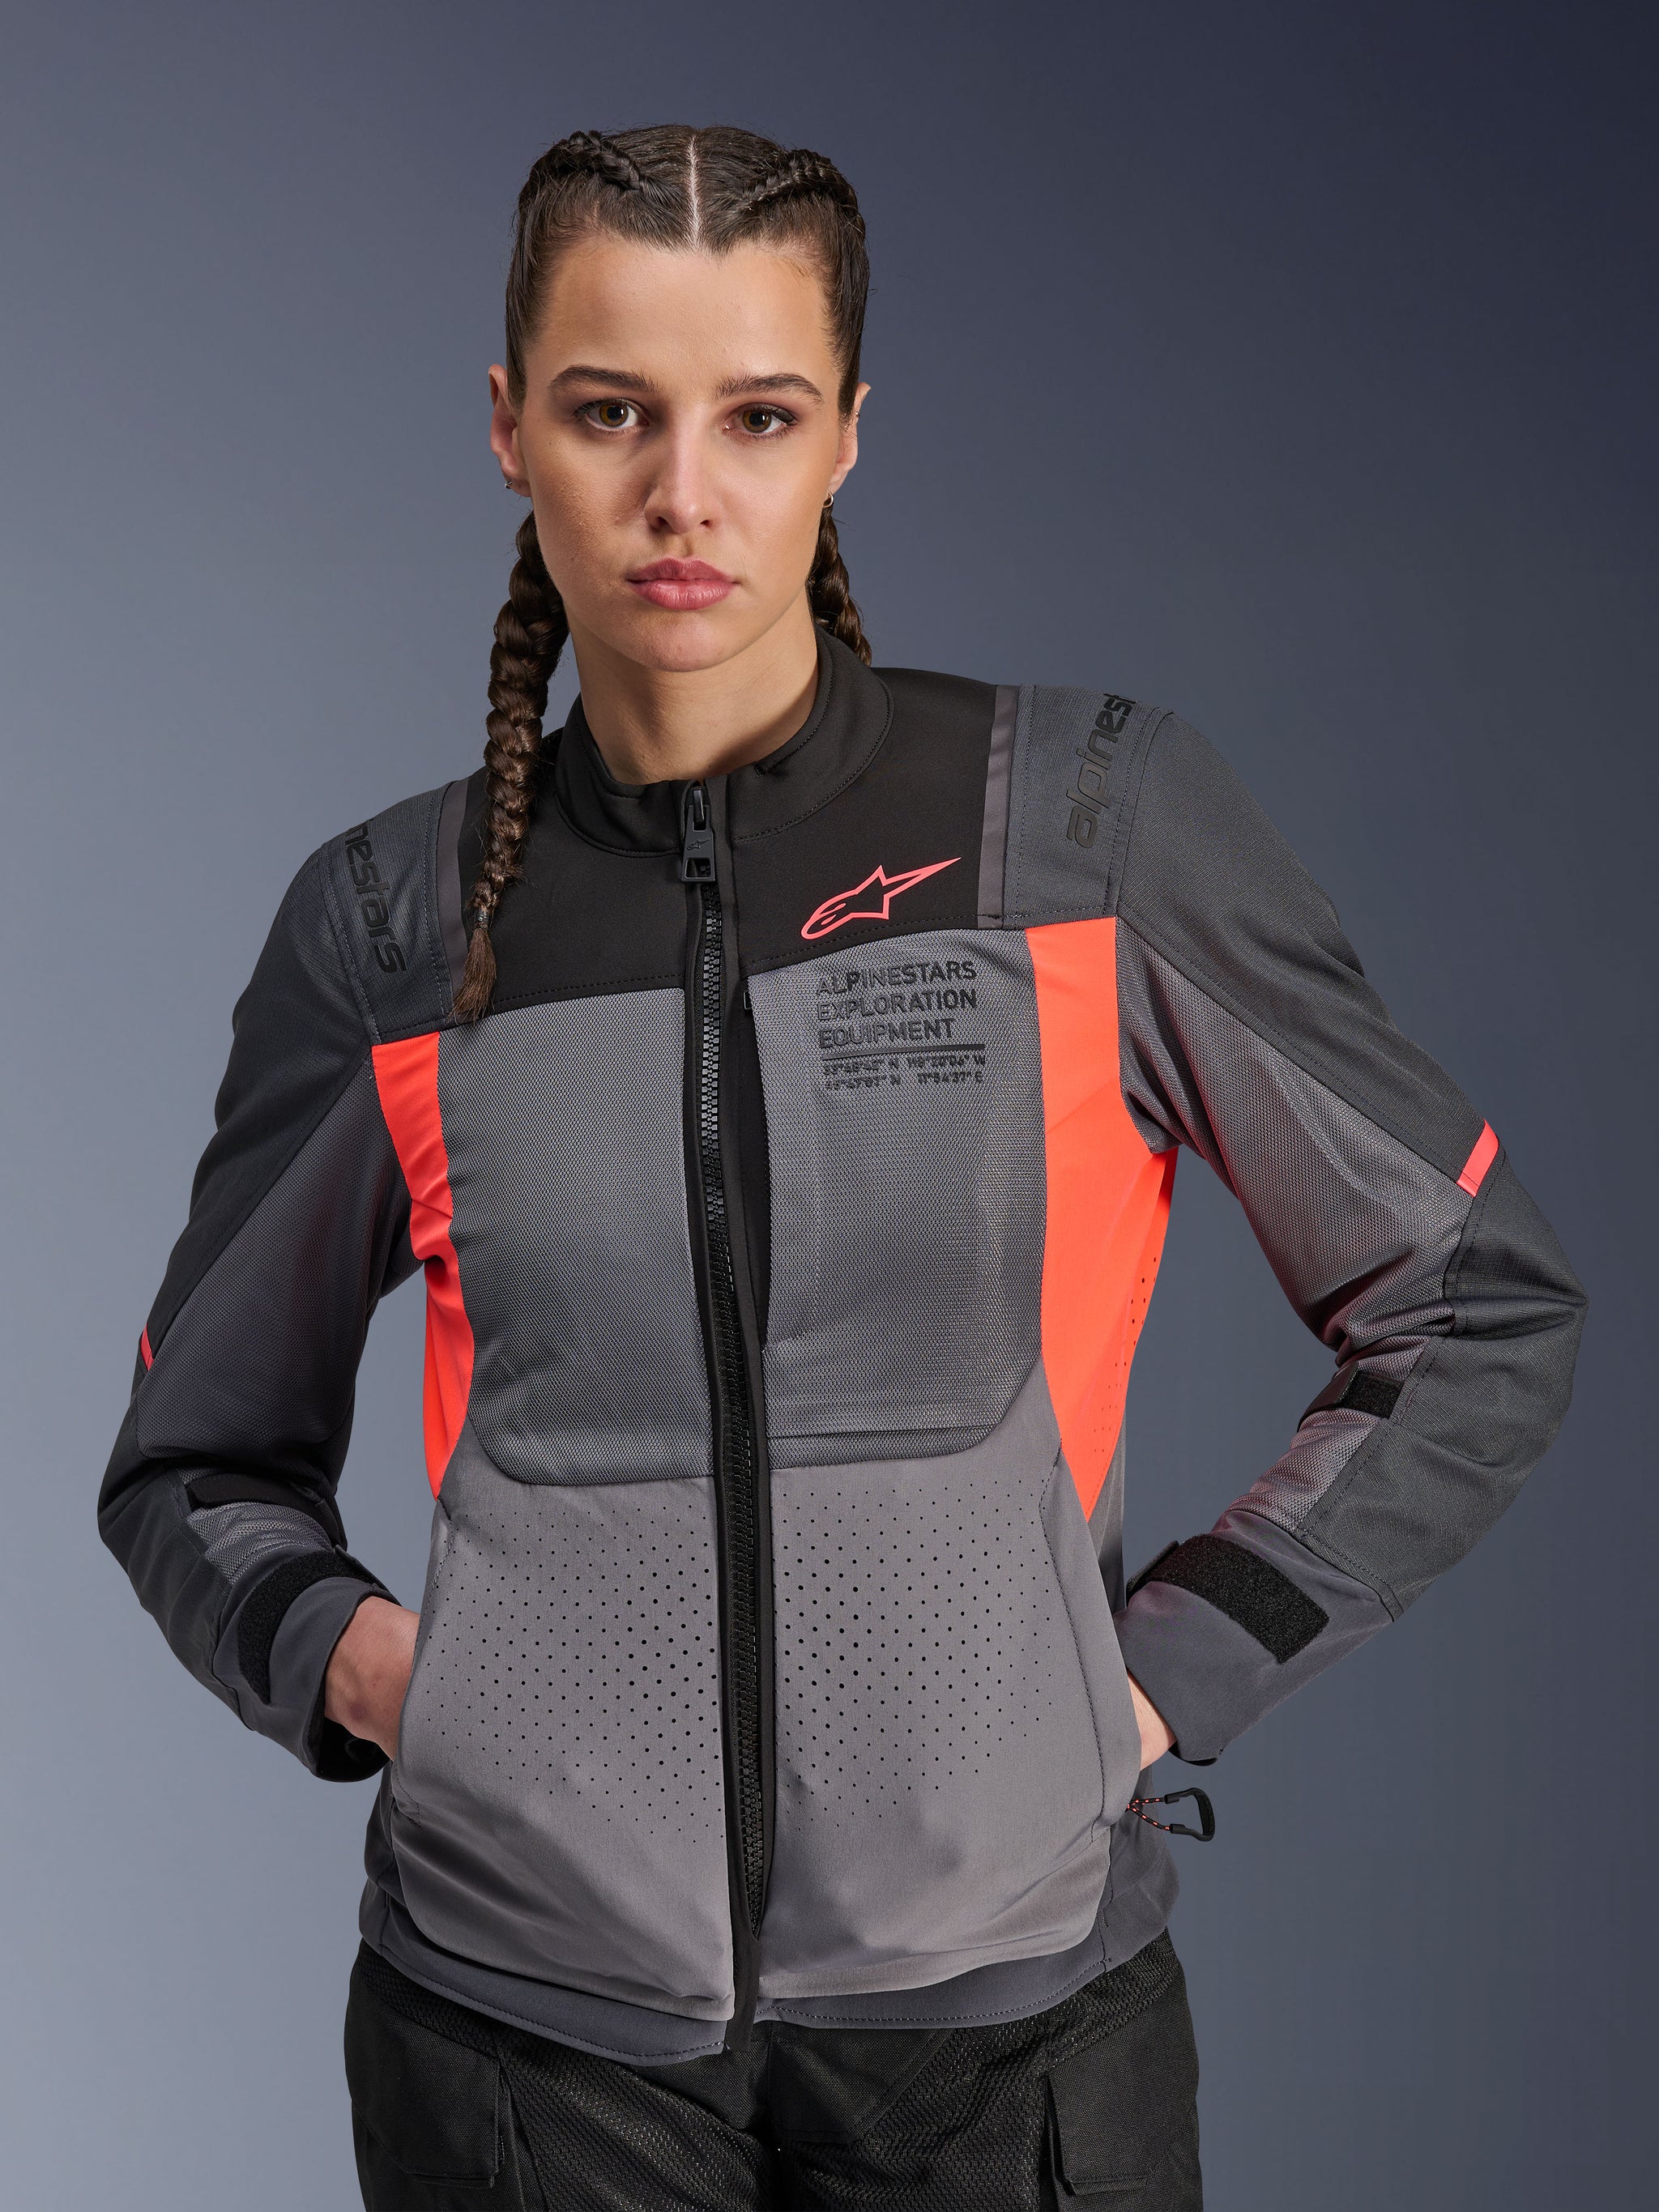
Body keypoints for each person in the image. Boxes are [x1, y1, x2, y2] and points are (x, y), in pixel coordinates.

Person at [96, 123, 1587, 2210]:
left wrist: (1159, 1681)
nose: (682, 494)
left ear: (849, 436)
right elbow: (190, 1463)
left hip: (1016, 2044)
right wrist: (376, 1673)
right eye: (610, 411)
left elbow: (1474, 1300)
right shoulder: (391, 929)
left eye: (759, 416)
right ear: (509, 428)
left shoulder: (1082, 837)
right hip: (519, 2058)